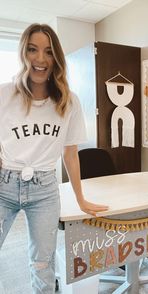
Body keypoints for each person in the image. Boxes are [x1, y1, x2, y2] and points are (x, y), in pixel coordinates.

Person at [0, 23, 108, 293]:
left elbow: (70, 154)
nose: (40, 59)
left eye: (48, 52)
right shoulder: (4, 94)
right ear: (23, 53)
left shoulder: (69, 102)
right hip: (4, 184)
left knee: (42, 264)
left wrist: (80, 198)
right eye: (33, 50)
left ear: (56, 58)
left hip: (45, 191)